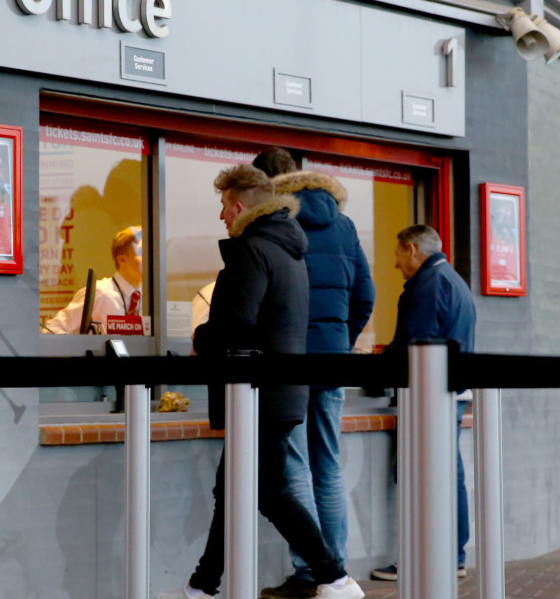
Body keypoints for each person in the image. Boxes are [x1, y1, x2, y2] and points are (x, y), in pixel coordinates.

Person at [159, 164, 363, 599]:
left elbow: (235, 324)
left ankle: (335, 577)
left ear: (237, 206)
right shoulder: (290, 250)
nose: (220, 218)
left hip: (256, 393)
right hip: (281, 390)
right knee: (234, 487)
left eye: (221, 207)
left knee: (265, 490)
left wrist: (199, 336)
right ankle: (203, 586)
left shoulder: (251, 251)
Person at [252, 148, 374, 599]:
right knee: (329, 468)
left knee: (297, 468)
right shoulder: (343, 225)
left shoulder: (280, 223)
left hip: (292, 362)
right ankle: (335, 570)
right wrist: (341, 340)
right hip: (332, 363)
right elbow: (366, 294)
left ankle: (312, 572)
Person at [370, 224, 476, 582]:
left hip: (428, 398)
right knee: (449, 473)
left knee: (423, 473)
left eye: (398, 254)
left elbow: (416, 347)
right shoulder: (454, 281)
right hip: (452, 393)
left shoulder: (426, 286)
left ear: (413, 249)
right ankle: (453, 555)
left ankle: (424, 557)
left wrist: (381, 363)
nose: (396, 264)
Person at [43, 225, 145, 334]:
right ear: (122, 260)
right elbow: (51, 330)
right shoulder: (99, 293)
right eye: (142, 252)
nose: (149, 257)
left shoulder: (151, 300)